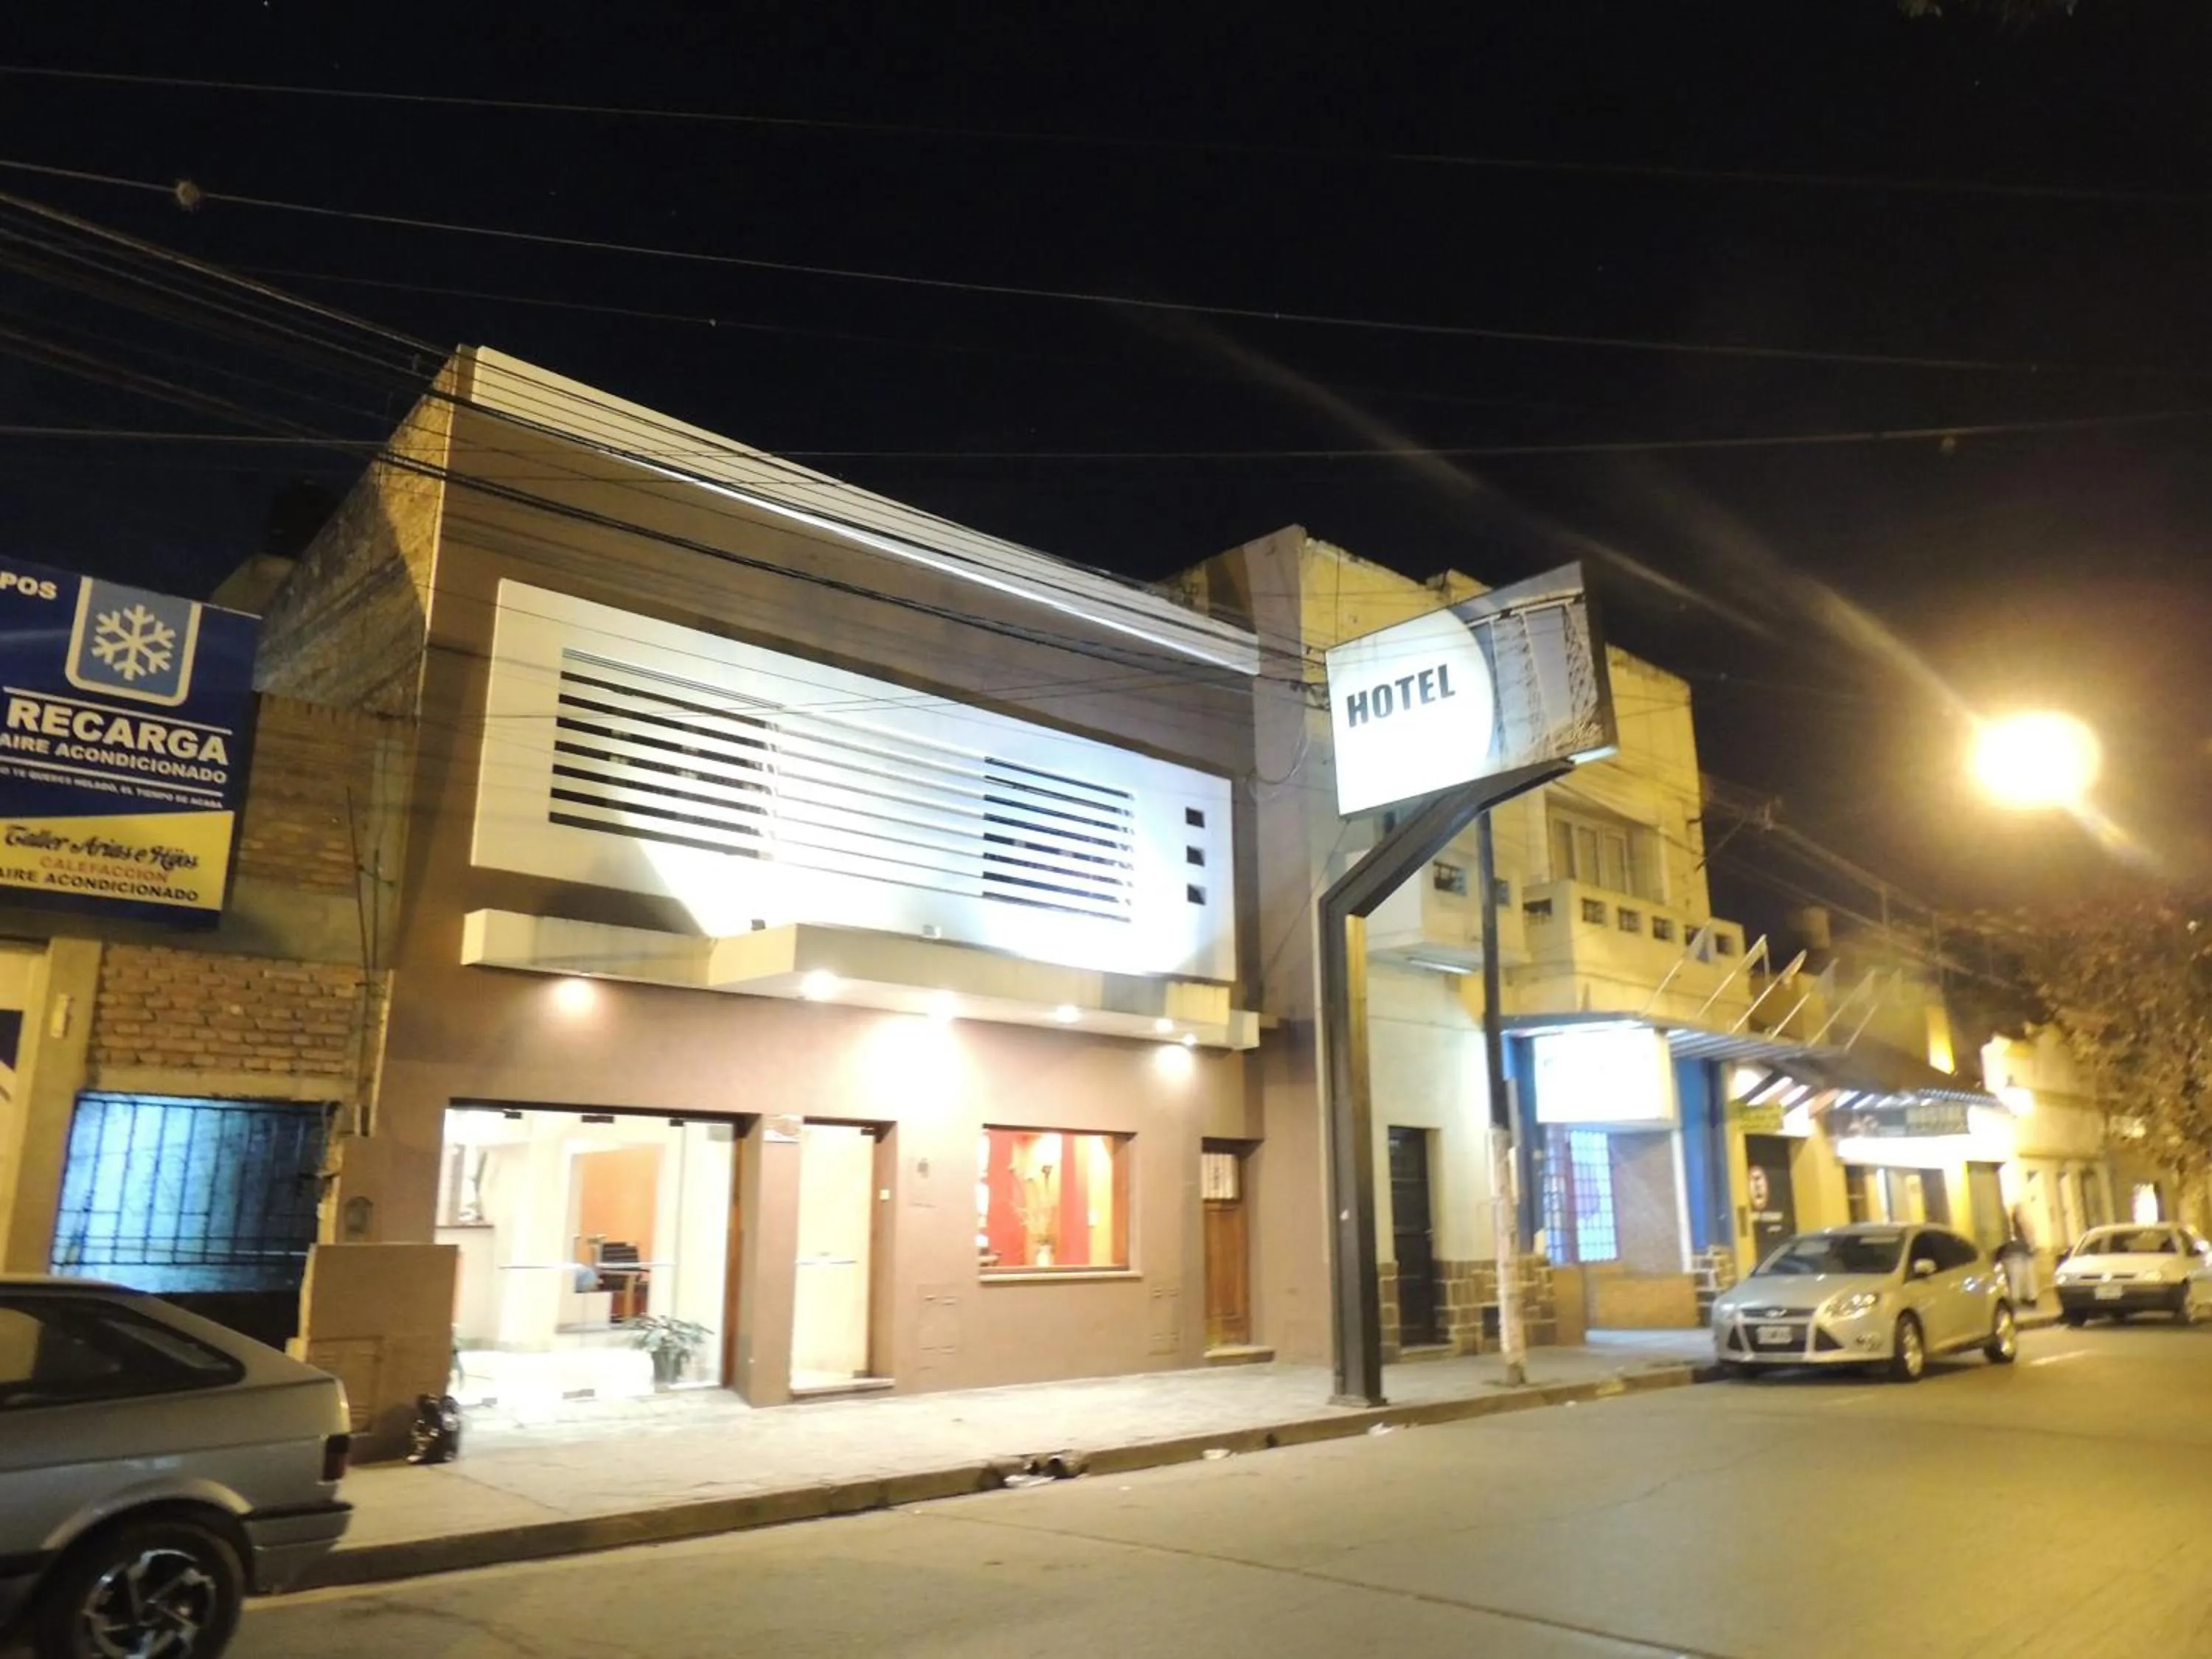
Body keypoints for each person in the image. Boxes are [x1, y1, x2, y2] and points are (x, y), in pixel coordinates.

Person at [1997, 1204, 2039, 1307]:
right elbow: (2029, 1234)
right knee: (2026, 1277)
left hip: (2018, 1253)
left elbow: (2027, 1233)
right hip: (2022, 1252)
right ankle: (2029, 1297)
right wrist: (2032, 1246)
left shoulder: (2013, 1222)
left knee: (2017, 1277)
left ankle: (2021, 1298)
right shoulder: (2022, 1220)